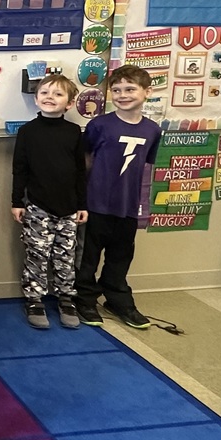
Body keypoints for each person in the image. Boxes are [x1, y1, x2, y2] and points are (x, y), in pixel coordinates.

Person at [75, 65, 160, 330]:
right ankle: (84, 299)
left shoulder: (152, 130)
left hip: (127, 206)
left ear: (147, 92)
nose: (123, 95)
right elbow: (83, 160)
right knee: (88, 257)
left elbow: (145, 168)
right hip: (96, 204)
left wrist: (142, 206)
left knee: (121, 256)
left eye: (130, 89)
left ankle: (117, 299)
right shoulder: (99, 125)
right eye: (117, 90)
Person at [11, 74, 88, 330]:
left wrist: (82, 205)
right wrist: (17, 201)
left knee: (66, 255)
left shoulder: (74, 132)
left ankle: (66, 298)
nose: (50, 98)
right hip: (37, 206)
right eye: (44, 93)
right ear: (36, 99)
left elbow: (80, 172)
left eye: (57, 94)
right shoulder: (27, 132)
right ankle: (34, 299)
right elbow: (19, 169)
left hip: (69, 208)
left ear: (69, 103)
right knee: (37, 254)